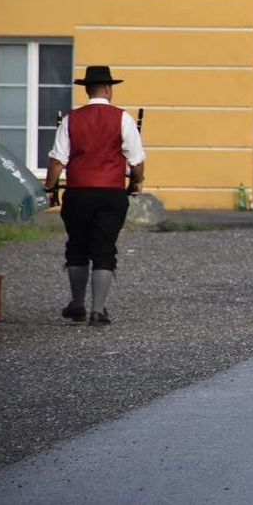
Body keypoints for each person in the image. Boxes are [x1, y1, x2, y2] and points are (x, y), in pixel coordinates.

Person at [43, 66, 146, 327]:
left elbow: (57, 161)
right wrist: (136, 182)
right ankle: (98, 311)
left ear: (86, 89)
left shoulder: (70, 119)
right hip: (111, 194)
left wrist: (51, 189)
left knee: (76, 246)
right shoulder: (123, 119)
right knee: (104, 249)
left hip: (78, 193)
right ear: (109, 89)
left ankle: (77, 304)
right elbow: (137, 161)